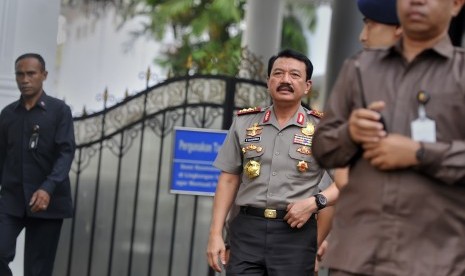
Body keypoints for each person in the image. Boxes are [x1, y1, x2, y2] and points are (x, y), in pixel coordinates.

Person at [312, 0, 465, 275]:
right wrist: (351, 133)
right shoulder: (359, 68)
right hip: (354, 259)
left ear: (455, 5)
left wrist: (420, 153)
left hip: (434, 262)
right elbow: (322, 148)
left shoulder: (460, 75)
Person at [206, 49, 338, 275]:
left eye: (294, 75)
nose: (285, 80)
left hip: (295, 232)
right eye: (278, 73)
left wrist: (315, 203)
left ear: (307, 86)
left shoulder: (323, 129)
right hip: (247, 230)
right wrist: (215, 234)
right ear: (268, 82)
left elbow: (348, 182)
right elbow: (228, 180)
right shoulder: (244, 122)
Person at [0, 53, 76, 276]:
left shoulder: (59, 111)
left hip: (48, 202)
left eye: (31, 74)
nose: (25, 79)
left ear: (44, 75)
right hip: (11, 200)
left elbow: (65, 153)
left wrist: (47, 188)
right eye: (20, 74)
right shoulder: (7, 115)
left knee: (37, 270)